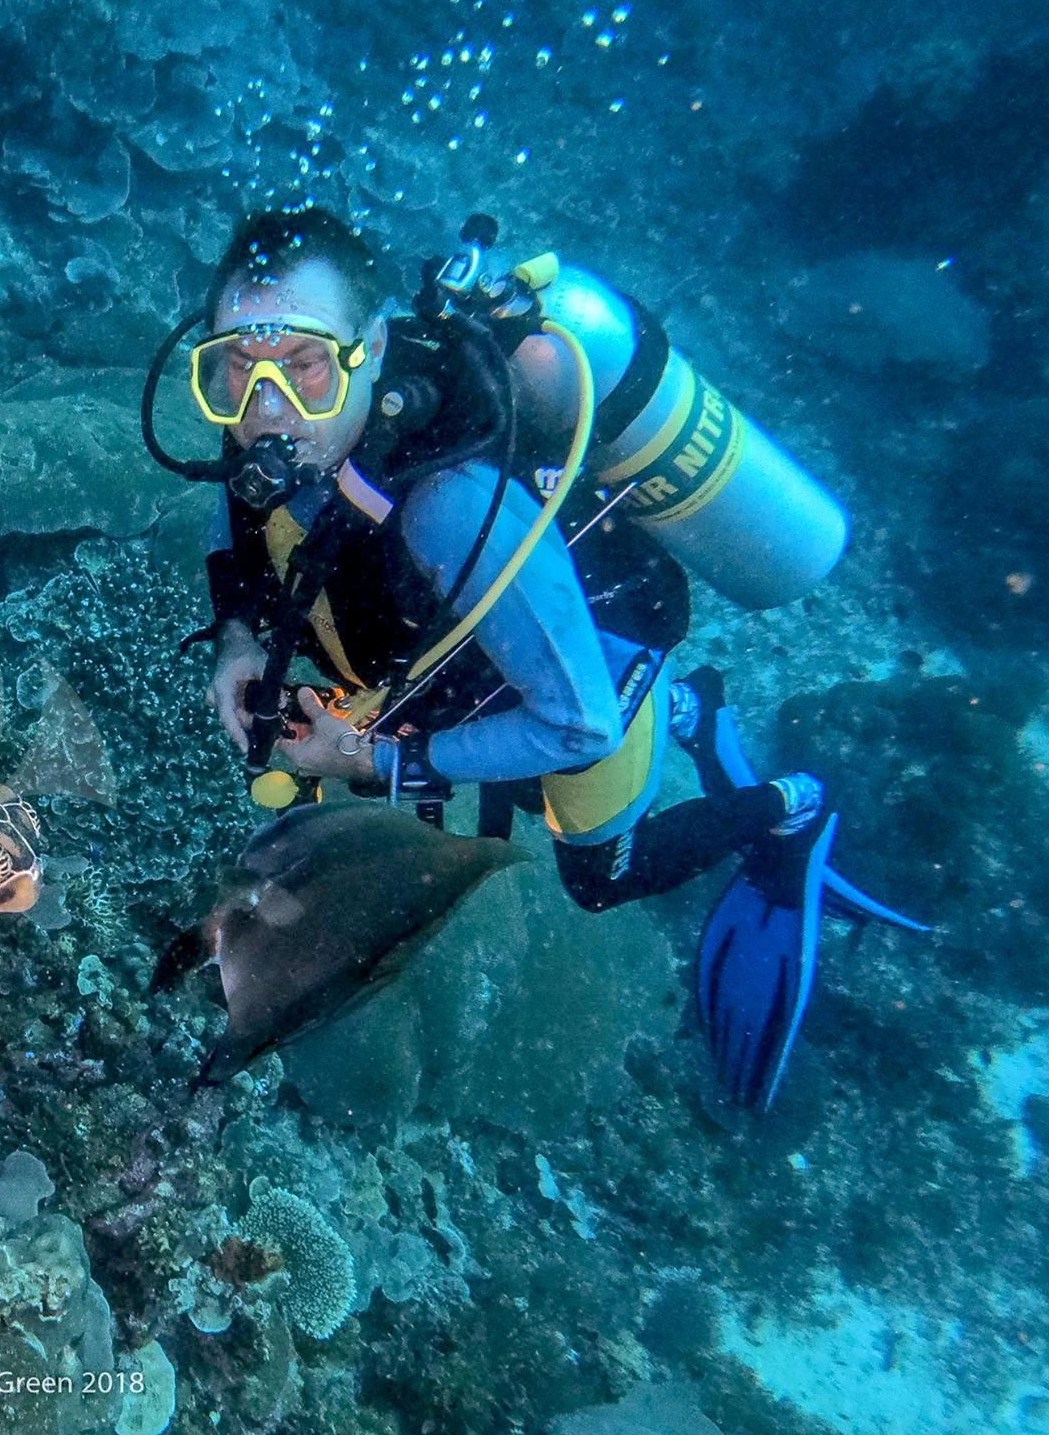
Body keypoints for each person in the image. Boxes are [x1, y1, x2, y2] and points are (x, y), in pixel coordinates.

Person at [145, 206, 924, 1108]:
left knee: (600, 871)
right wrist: (238, 637)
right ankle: (690, 713)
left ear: (376, 346)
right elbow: (234, 522)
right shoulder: (277, 424)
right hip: (472, 656)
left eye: (306, 365)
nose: (266, 406)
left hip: (586, 669)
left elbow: (578, 723)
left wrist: (382, 756)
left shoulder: (449, 506)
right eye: (233, 369)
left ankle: (790, 804)